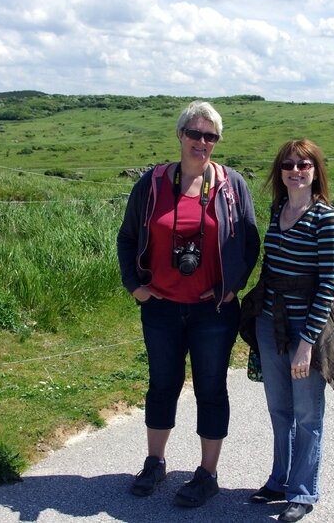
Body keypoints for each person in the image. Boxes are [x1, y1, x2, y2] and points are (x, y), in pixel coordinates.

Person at [116, 100, 260, 507]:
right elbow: (127, 238)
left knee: (211, 388)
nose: (202, 142)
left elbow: (250, 240)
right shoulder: (152, 184)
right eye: (194, 133)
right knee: (162, 384)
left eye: (210, 136)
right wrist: (135, 286)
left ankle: (207, 473)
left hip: (213, 311)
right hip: (160, 307)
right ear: (180, 135)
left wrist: (234, 284)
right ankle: (154, 461)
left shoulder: (232, 185)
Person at [241, 139, 334, 522]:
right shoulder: (277, 211)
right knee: (279, 408)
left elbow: (327, 286)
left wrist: (307, 344)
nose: (296, 170)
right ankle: (279, 479)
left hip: (307, 327)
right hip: (270, 322)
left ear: (315, 170)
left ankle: (304, 491)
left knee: (307, 413)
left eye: (303, 164)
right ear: (280, 172)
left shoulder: (326, 218)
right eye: (288, 164)